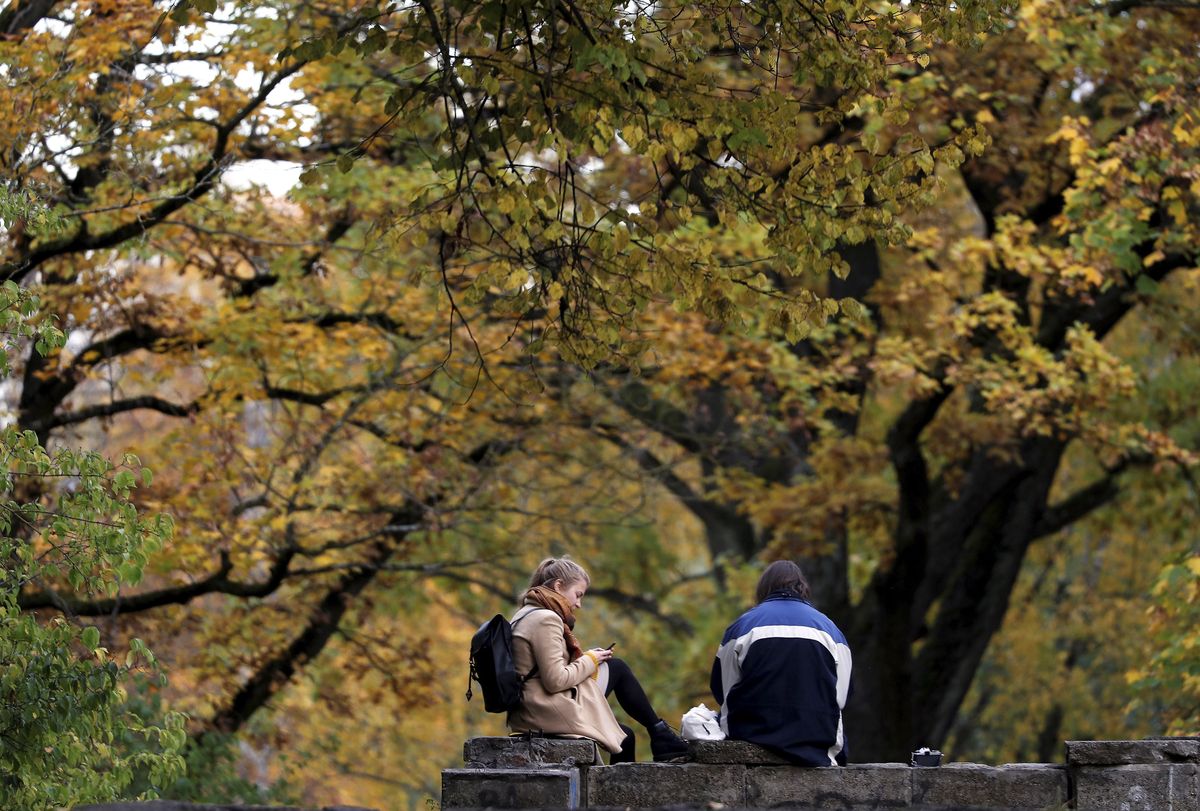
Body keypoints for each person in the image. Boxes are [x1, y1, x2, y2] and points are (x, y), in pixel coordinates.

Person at [508, 556, 689, 763]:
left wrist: (588, 659)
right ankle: (660, 736)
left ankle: (658, 737)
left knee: (625, 736)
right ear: (558, 586)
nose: (579, 604)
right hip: (543, 710)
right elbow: (555, 680)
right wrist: (590, 659)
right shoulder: (545, 619)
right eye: (578, 595)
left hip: (532, 708)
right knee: (617, 669)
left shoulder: (525, 614)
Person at [710, 560, 853, 766]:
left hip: (751, 736)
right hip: (816, 741)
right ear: (803, 588)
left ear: (764, 589)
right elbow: (841, 695)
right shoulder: (830, 630)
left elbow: (724, 690)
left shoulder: (742, 627)